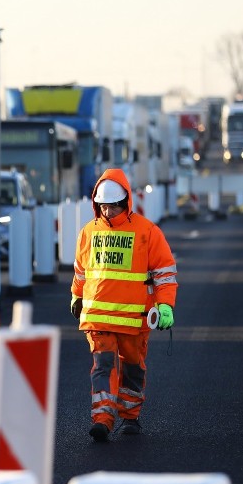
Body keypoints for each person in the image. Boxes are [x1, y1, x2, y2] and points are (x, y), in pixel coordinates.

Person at [70, 168, 178, 442]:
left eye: (113, 206)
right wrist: (76, 295)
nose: (108, 212)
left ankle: (130, 417)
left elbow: (164, 274)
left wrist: (165, 306)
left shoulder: (147, 232)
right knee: (102, 366)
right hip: (99, 318)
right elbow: (82, 271)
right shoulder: (88, 232)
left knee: (132, 367)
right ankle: (102, 419)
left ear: (125, 202)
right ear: (97, 204)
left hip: (134, 320)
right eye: (104, 206)